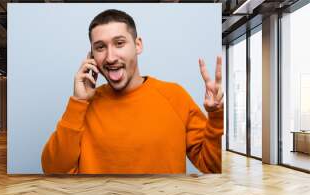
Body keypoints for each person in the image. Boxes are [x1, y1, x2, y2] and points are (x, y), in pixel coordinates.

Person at [41, 9, 223, 174]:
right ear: (92, 57)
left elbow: (211, 166)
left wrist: (215, 116)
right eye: (100, 47)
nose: (110, 57)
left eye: (119, 43)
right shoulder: (83, 106)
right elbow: (54, 171)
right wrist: (78, 102)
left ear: (137, 45)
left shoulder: (174, 96)